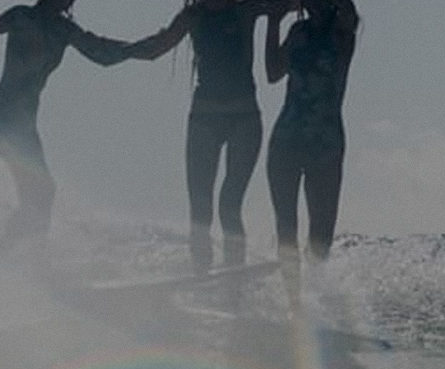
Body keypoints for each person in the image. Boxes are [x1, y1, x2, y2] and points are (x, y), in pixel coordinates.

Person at [128, 0, 296, 273]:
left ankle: (234, 269)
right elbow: (157, 48)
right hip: (204, 118)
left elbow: (289, 4)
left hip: (244, 118)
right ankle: (200, 269)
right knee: (200, 206)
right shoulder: (193, 15)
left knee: (230, 203)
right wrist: (119, 51)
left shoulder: (245, 8)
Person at [0, 0, 130, 250]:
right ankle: (21, 253)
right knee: (41, 191)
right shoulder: (21, 17)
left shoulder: (64, 29)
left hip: (23, 125)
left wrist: (142, 48)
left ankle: (16, 252)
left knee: (42, 193)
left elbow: (101, 53)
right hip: (6, 117)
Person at [265, 0, 358, 266]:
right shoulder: (298, 32)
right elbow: (273, 72)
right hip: (287, 138)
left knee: (321, 236)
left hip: (325, 143)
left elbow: (349, 12)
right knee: (286, 228)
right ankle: (291, 290)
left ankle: (315, 287)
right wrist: (273, 22)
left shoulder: (342, 32)